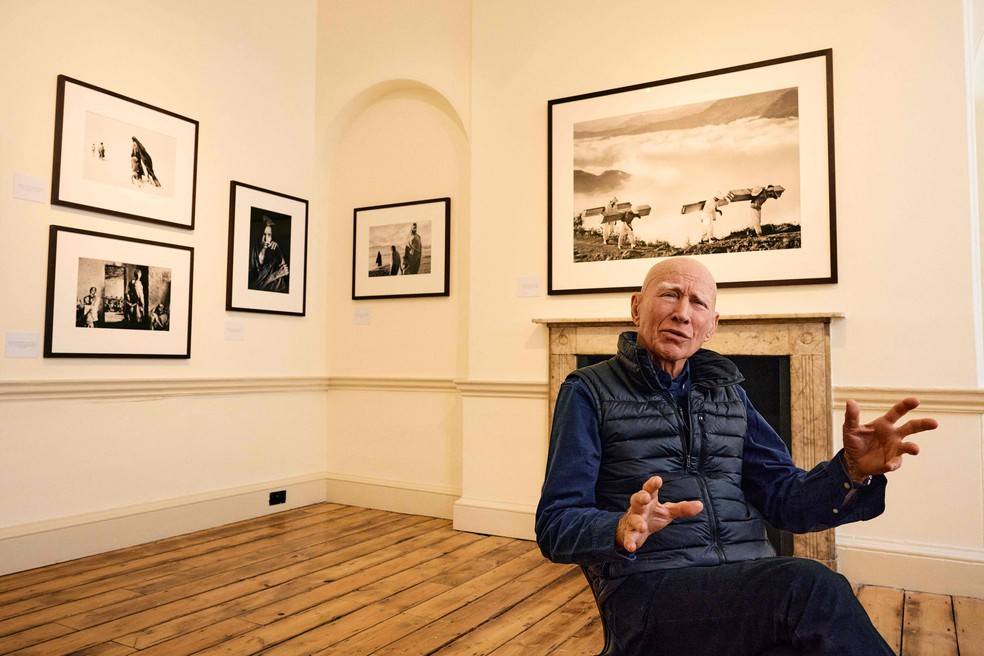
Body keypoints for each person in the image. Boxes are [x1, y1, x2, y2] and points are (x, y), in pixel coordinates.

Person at [535, 257, 938, 656]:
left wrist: (849, 471)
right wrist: (618, 527)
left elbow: (786, 501)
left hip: (746, 586)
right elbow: (556, 523)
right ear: (637, 307)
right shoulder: (588, 391)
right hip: (651, 589)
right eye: (670, 295)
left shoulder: (731, 396)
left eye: (698, 303)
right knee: (811, 586)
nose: (682, 313)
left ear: (712, 326)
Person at [248, 218, 290, 293]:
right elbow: (252, 286)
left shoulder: (271, 251)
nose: (266, 239)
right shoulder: (250, 251)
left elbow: (285, 271)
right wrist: (275, 275)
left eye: (269, 235)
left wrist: (277, 248)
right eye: (263, 234)